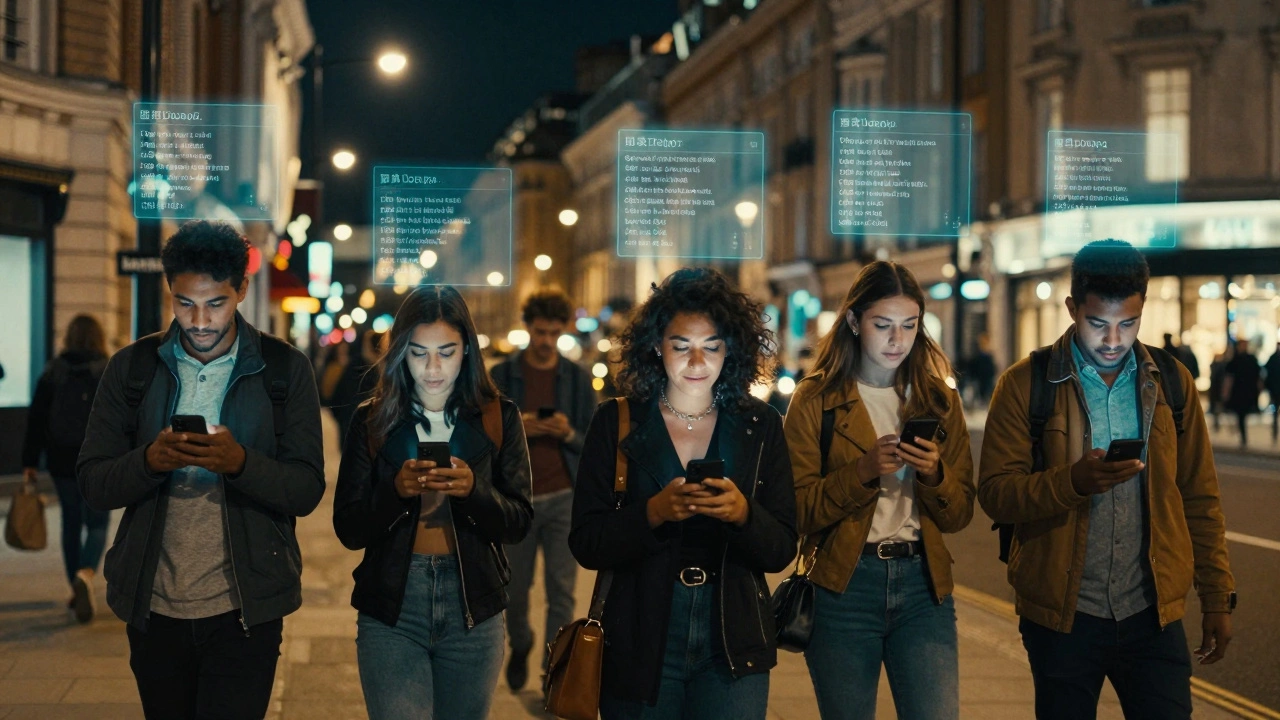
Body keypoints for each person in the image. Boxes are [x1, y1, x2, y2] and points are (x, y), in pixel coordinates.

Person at [76, 220, 326, 719]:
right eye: (185, 303)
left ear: (242, 292)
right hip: (154, 606)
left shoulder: (283, 368)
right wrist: (149, 461)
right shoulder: (132, 367)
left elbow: (306, 488)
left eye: (216, 303)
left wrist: (240, 464)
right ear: (170, 292)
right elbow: (93, 481)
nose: (200, 320)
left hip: (247, 609)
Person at [978, 239, 1235, 720]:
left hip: (1152, 612)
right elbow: (995, 494)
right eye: (1098, 323)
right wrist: (1073, 481)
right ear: (1073, 308)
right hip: (1062, 616)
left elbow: (1199, 496)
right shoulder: (1025, 384)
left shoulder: (1171, 382)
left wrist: (1217, 596)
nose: (1113, 339)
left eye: (1128, 323)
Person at [570, 268, 797, 719]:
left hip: (732, 637)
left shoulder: (759, 424)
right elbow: (587, 542)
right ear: (656, 346)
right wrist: (651, 513)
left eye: (712, 346)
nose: (698, 362)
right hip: (640, 635)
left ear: (730, 348)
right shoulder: (617, 422)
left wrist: (742, 514)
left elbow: (782, 547)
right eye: (681, 346)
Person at [783, 260, 974, 720]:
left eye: (910, 326)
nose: (897, 340)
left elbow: (960, 512)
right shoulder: (817, 398)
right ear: (853, 321)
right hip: (844, 587)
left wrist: (934, 475)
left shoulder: (937, 400)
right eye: (882, 325)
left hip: (923, 588)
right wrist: (863, 471)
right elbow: (796, 509)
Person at [333, 285, 533, 720]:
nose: (434, 367)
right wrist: (396, 492)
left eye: (447, 351)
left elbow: (518, 521)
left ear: (468, 351)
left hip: (473, 605)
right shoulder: (373, 418)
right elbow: (348, 527)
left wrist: (472, 491)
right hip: (392, 606)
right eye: (419, 353)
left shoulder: (500, 416)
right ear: (401, 352)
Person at [488, 288, 598, 691]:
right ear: (528, 327)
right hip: (517, 501)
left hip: (564, 498)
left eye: (553, 332)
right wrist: (519, 427)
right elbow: (483, 436)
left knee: (562, 595)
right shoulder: (501, 376)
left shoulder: (577, 377)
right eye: (539, 332)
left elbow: (595, 443)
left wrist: (567, 431)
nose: (546, 340)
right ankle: (522, 644)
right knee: (514, 594)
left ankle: (555, 673)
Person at [21, 314, 111, 623]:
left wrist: (29, 462)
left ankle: (75, 586)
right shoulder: (107, 370)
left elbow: (36, 419)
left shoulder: (53, 371)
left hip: (60, 459)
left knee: (71, 523)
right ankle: (86, 574)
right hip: (98, 459)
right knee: (97, 523)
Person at [1222, 338, 1261, 448]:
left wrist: (1226, 393)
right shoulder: (1247, 359)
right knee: (1241, 414)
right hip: (1243, 392)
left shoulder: (1238, 360)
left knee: (1241, 414)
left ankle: (1243, 436)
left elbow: (1229, 378)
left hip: (1242, 392)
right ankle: (1243, 435)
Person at [1264, 342, 1280, 442]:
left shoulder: (1273, 358)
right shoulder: (1273, 358)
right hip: (1274, 390)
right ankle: (1274, 431)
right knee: (1274, 411)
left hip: (1274, 390)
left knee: (1274, 411)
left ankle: (1275, 431)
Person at [1208, 351, 1227, 432]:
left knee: (1216, 407)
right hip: (1215, 389)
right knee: (1216, 407)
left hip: (1216, 389)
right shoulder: (1216, 366)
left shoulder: (1218, 366)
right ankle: (1216, 423)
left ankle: (1216, 423)